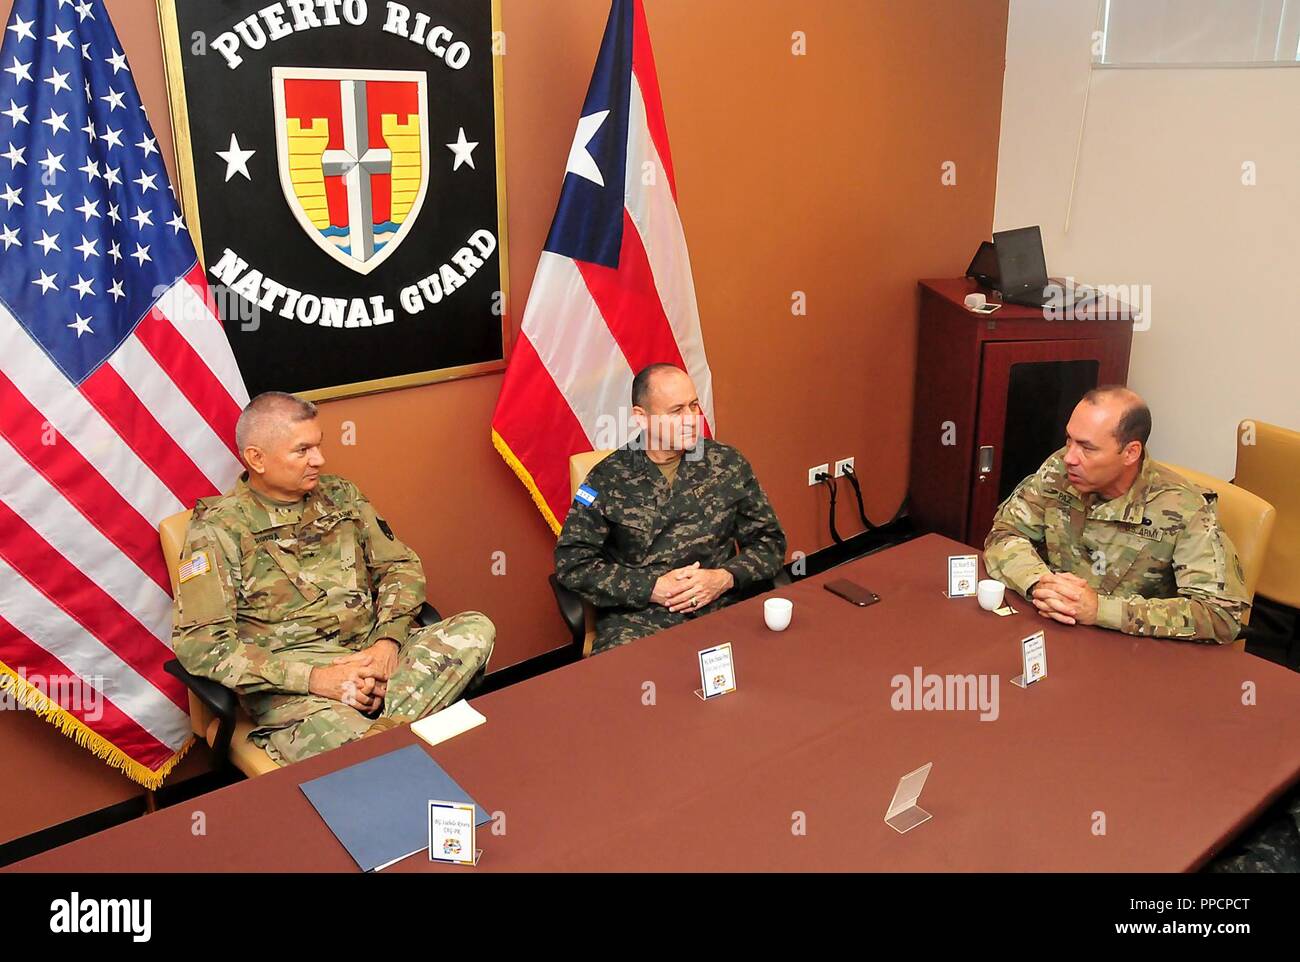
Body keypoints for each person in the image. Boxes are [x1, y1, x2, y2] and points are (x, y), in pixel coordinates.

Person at [172, 392, 494, 765]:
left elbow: (399, 567)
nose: (319, 460)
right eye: (303, 450)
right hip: (297, 692)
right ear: (256, 458)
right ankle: (390, 741)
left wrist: (385, 645)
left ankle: (381, 740)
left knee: (475, 629)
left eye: (318, 446)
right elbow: (202, 645)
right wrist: (316, 679)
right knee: (345, 742)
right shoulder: (217, 529)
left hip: (372, 653)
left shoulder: (341, 496)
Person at [984, 386, 1249, 643]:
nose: (1070, 457)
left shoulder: (1183, 509)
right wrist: (1039, 583)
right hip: (1054, 630)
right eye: (1069, 440)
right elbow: (1005, 534)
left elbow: (1219, 615)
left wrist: (1101, 610)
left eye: (1087, 448)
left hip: (1132, 653)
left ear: (1131, 452)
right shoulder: (1060, 470)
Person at [555, 363, 787, 653]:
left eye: (694, 406)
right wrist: (649, 587)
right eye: (676, 411)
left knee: (777, 666)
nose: (692, 419)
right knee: (620, 685)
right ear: (642, 418)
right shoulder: (607, 478)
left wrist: (726, 577)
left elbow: (770, 542)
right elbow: (573, 564)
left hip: (722, 603)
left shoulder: (727, 463)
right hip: (641, 619)